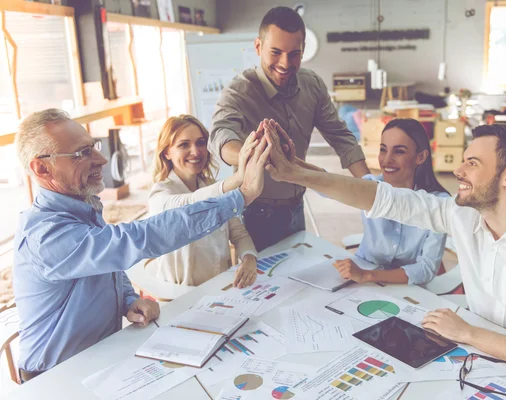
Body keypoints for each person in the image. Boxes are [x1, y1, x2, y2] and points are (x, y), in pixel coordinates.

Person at [264, 121, 506, 385]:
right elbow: (381, 198)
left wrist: (467, 332)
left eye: (473, 163)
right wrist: (296, 172)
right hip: (472, 359)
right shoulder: (463, 215)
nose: (460, 171)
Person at [12, 109, 269, 380]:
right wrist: (241, 195)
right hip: (55, 378)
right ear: (42, 168)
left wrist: (128, 300)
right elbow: (135, 239)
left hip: (98, 357)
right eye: (82, 154)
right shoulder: (46, 236)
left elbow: (107, 264)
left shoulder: (83, 206)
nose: (101, 160)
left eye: (93, 148)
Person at [209, 6, 370, 251]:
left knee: (297, 274)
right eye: (276, 52)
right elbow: (220, 135)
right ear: (258, 47)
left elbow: (341, 136)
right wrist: (251, 155)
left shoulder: (312, 84)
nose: (285, 63)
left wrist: (371, 189)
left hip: (297, 205)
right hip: (256, 213)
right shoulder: (238, 91)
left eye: (294, 54)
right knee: (263, 283)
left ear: (303, 51)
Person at [332, 119, 449, 285]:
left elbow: (426, 269)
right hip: (359, 277)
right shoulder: (370, 187)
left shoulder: (439, 204)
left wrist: (368, 275)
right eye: (383, 150)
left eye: (399, 151)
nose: (386, 160)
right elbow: (327, 185)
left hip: (401, 287)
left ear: (421, 156)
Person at [149, 115, 257, 288]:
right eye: (184, 145)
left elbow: (238, 233)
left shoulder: (211, 185)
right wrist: (238, 178)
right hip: (180, 297)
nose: (195, 151)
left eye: (200, 143)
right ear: (167, 152)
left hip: (222, 288)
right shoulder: (159, 194)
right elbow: (191, 204)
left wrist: (249, 258)